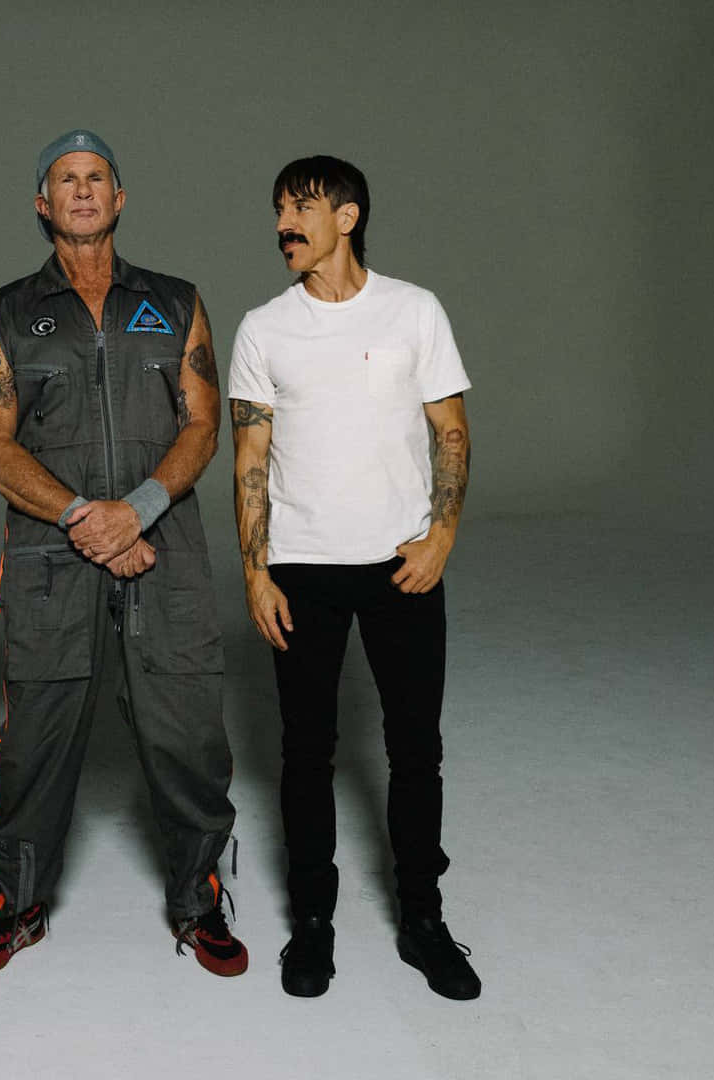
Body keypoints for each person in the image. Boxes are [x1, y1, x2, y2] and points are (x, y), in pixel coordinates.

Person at [0, 130, 245, 980]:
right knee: (35, 740)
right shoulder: (6, 312)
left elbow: (202, 423)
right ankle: (18, 898)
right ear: (42, 206)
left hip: (168, 551)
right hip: (52, 552)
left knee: (188, 731)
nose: (81, 191)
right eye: (64, 181)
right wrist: (90, 518)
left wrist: (140, 512)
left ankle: (199, 902)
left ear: (119, 200)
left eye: (96, 179)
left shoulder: (177, 300)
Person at [228, 155, 482, 1000]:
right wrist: (257, 573)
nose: (282, 225)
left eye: (298, 207)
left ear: (348, 214)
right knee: (305, 757)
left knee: (416, 752)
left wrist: (442, 533)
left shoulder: (415, 310)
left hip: (403, 566)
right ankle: (312, 924)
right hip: (301, 569)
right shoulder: (264, 328)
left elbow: (450, 429)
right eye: (276, 211)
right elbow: (250, 458)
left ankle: (423, 916)